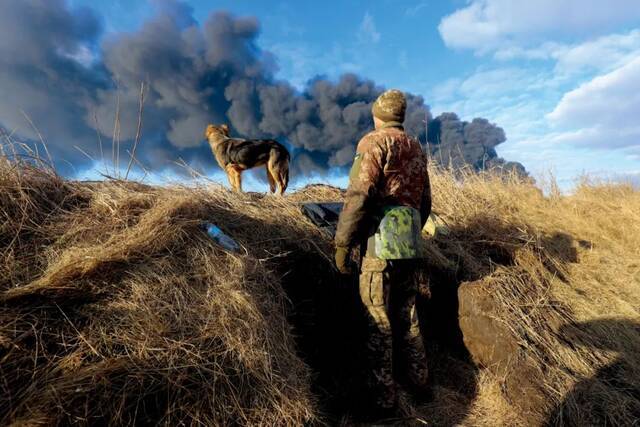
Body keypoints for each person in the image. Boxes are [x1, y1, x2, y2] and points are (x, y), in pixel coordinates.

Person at [334, 89, 431, 416]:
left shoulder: (373, 142)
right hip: (411, 245)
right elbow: (425, 202)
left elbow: (359, 194)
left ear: (378, 115)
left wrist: (343, 243)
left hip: (380, 246)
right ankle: (420, 384)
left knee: (377, 318)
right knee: (407, 316)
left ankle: (382, 403)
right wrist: (411, 232)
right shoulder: (416, 147)